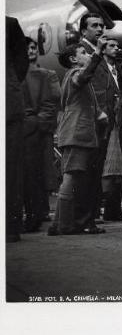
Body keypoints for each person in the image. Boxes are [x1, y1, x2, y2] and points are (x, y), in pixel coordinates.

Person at [48, 41, 108, 235]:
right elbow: (84, 76)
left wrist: (99, 113)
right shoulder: (74, 74)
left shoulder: (70, 77)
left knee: (72, 176)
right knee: (71, 176)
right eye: (84, 52)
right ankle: (63, 225)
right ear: (74, 59)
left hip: (76, 132)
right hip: (77, 133)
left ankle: (60, 224)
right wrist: (98, 53)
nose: (88, 55)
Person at [78, 12, 112, 230]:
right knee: (89, 171)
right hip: (92, 118)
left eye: (101, 25)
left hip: (103, 118)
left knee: (96, 169)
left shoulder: (96, 51)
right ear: (83, 30)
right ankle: (84, 219)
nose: (100, 29)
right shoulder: (83, 52)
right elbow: (87, 82)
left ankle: (89, 217)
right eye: (94, 26)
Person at [21, 36, 57, 232]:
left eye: (33, 47)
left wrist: (36, 123)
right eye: (27, 47)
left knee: (38, 174)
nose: (31, 50)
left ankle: (37, 212)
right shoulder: (14, 74)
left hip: (37, 131)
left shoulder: (47, 74)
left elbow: (51, 102)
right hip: (23, 130)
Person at [5, 16, 29, 242]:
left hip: (8, 107)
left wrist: (10, 84)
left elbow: (22, 64)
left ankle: (10, 225)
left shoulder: (9, 24)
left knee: (11, 168)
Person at [101, 38, 122, 221]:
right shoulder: (102, 70)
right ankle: (110, 207)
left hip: (119, 121)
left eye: (117, 46)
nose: (116, 48)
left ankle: (114, 207)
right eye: (112, 45)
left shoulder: (119, 69)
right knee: (110, 167)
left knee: (117, 167)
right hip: (108, 121)